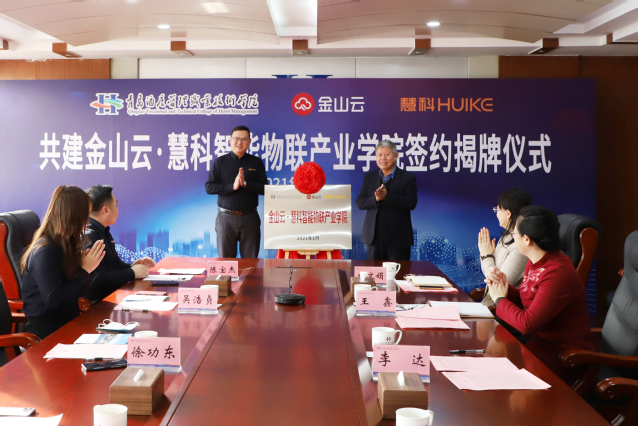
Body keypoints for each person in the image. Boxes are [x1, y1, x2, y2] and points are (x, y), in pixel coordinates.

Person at [487, 205, 593, 382]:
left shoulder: (557, 273)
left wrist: (499, 300)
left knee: (493, 375)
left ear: (526, 239)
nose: (512, 237)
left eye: (514, 233)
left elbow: (527, 324)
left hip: (562, 360)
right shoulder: (536, 261)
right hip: (537, 350)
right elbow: (528, 298)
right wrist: (504, 287)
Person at [20, 185, 106, 339]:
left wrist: (88, 268)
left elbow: (79, 291)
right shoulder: (45, 251)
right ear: (73, 215)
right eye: (85, 214)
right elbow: (55, 301)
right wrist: (84, 270)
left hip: (70, 322)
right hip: (48, 334)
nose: (87, 220)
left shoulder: (68, 243)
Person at [205, 125, 268, 258]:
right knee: (226, 264)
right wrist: (231, 187)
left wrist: (245, 184)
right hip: (226, 219)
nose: (240, 142)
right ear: (230, 140)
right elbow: (209, 187)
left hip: (250, 219)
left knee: (250, 264)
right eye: (236, 139)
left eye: (244, 139)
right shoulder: (220, 162)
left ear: (249, 142)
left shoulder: (256, 162)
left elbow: (265, 189)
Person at [85, 185, 155, 301]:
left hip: (109, 298)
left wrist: (133, 266)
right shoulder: (90, 236)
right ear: (106, 210)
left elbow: (114, 265)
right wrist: (132, 273)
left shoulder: (103, 231)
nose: (118, 210)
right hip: (97, 304)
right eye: (116, 205)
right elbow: (97, 278)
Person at [356, 140, 417, 260]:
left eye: (387, 154)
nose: (383, 158)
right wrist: (376, 198)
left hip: (399, 239)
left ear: (396, 155)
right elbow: (360, 202)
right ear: (376, 156)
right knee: (374, 271)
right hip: (374, 238)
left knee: (398, 272)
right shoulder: (369, 177)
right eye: (380, 155)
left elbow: (411, 203)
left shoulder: (408, 177)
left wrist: (386, 197)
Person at [478, 188, 532, 307]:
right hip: (490, 304)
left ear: (508, 214)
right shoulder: (507, 237)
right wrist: (486, 255)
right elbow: (491, 275)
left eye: (498, 209)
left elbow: (498, 284)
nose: (496, 213)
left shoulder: (520, 247)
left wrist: (486, 256)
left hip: (501, 309)